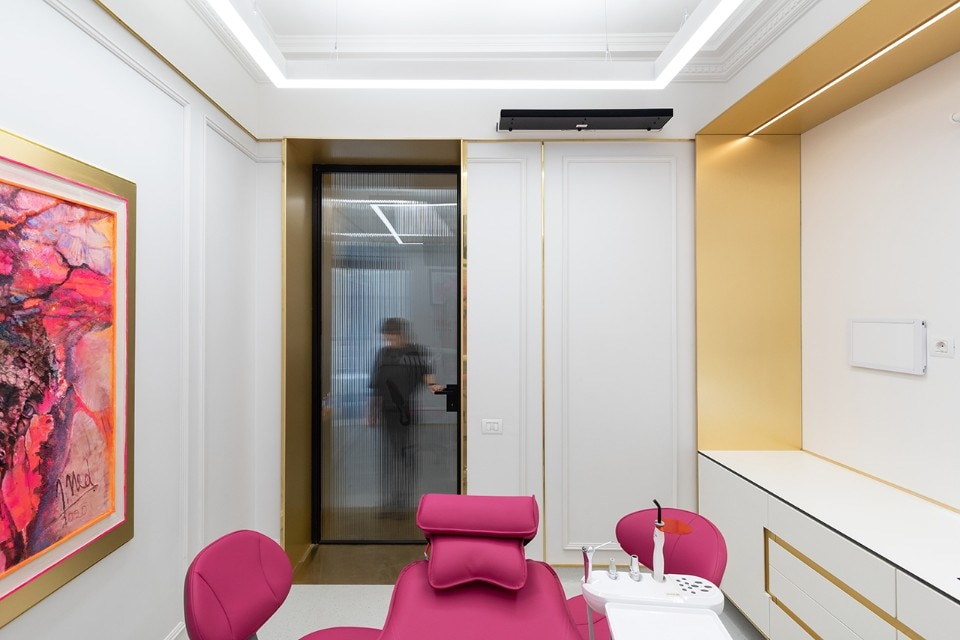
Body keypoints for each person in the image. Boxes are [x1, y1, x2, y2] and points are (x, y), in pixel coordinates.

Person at [368, 317, 443, 515]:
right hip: (387, 411)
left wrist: (434, 387)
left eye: (393, 337)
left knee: (406, 454)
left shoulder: (416, 353)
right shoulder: (383, 354)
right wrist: (372, 412)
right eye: (387, 338)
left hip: (406, 410)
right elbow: (377, 386)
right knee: (389, 456)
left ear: (402, 334)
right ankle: (389, 501)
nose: (390, 341)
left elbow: (428, 376)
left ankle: (404, 500)